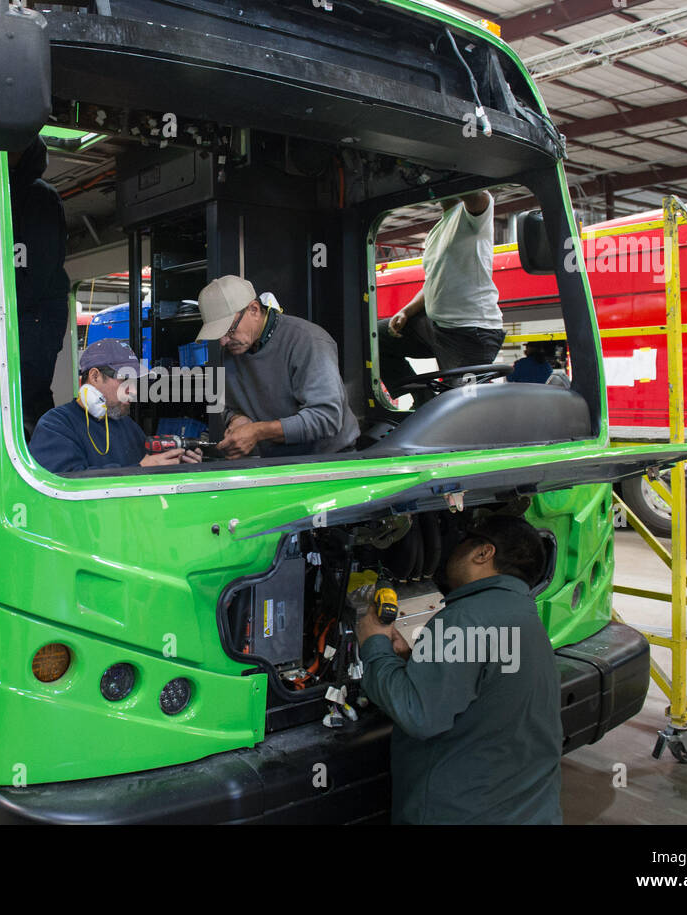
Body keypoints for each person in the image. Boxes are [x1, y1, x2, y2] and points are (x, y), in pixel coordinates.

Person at [355, 514, 562, 824]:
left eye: (461, 542)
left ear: (483, 553)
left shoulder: (466, 617)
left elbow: (418, 714)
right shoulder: (525, 616)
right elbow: (486, 682)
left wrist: (374, 645)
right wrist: (418, 660)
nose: (449, 552)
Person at [195, 275, 358, 458]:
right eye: (219, 336)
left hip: (328, 461)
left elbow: (326, 419)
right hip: (276, 463)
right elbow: (228, 405)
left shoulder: (307, 341)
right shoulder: (233, 349)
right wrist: (237, 419)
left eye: (229, 330)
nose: (224, 341)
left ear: (254, 310)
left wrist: (257, 431)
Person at [379, 191, 504, 404]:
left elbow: (479, 198)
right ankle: (422, 397)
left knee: (459, 409)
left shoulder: (471, 215)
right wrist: (406, 312)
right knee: (376, 339)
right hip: (436, 328)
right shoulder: (438, 229)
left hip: (469, 334)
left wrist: (452, 172)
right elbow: (433, 282)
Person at [30, 338, 202, 474]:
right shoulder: (56, 426)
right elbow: (66, 486)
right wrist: (139, 470)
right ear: (95, 376)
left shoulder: (128, 426)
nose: (133, 390)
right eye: (125, 379)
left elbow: (149, 468)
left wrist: (175, 464)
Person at [9, 135, 70, 431]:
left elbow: (40, 263)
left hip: (38, 313)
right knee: (23, 394)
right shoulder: (9, 196)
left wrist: (14, 305)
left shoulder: (38, 195)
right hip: (31, 311)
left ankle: (44, 454)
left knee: (30, 392)